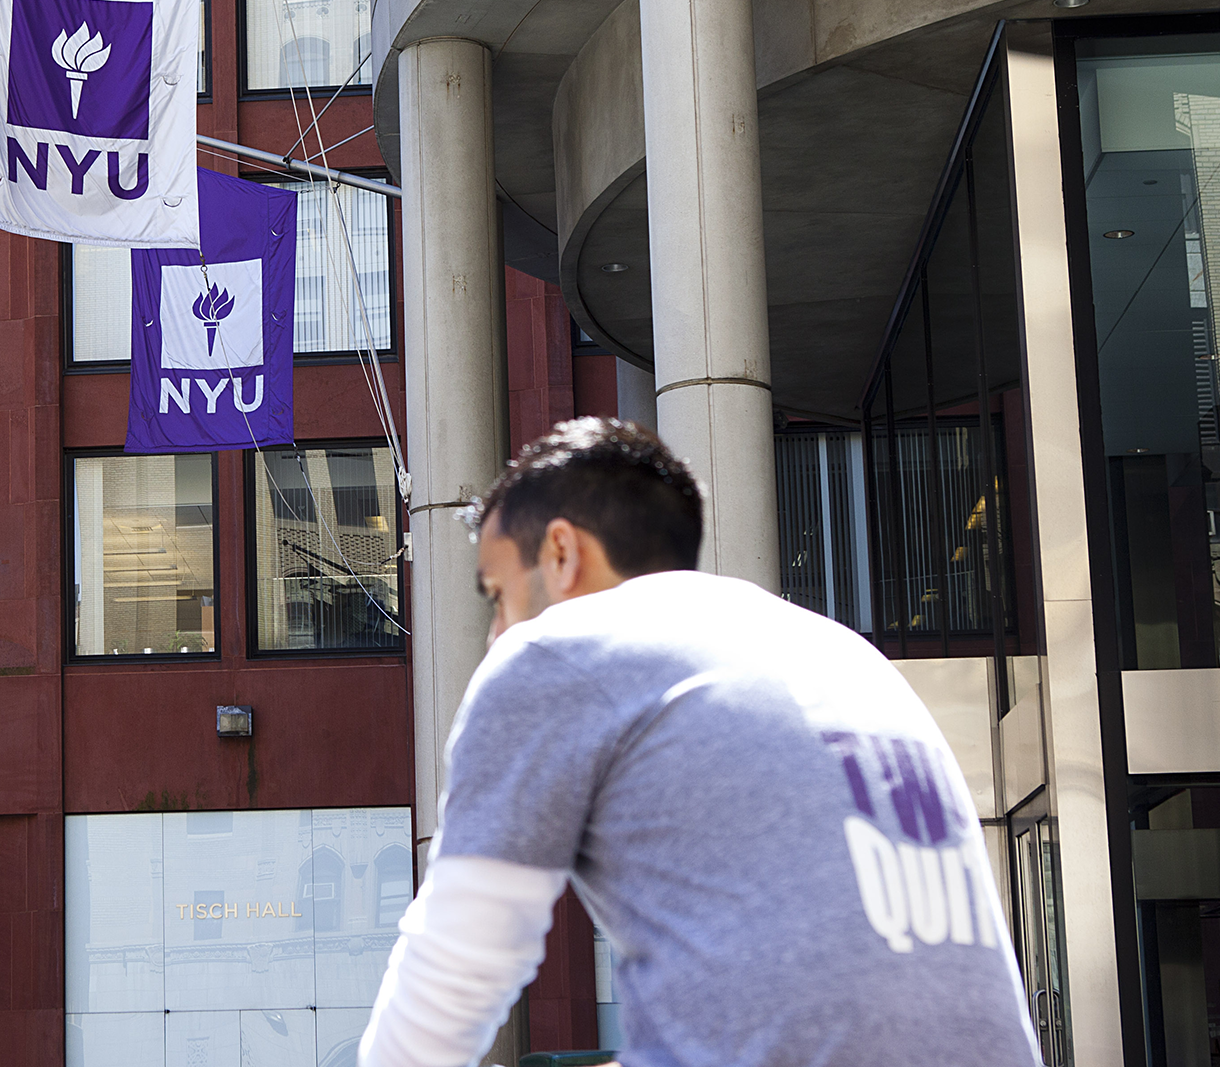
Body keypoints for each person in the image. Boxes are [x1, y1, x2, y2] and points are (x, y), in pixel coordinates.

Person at [357, 418, 1039, 1067]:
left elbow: (458, 961)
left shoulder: (559, 649)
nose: (496, 633)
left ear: (562, 553)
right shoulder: (838, 652)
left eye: (498, 594)